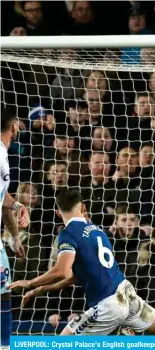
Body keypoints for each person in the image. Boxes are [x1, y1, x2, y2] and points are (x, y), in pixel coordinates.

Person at [8, 189, 155, 335]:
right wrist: (41, 289)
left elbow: (61, 270)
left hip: (107, 305)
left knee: (63, 343)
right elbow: (74, 277)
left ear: (58, 212)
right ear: (83, 208)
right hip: (127, 293)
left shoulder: (67, 234)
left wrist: (29, 283)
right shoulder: (97, 231)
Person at [0, 110, 28, 346]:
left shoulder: (3, 154)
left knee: (4, 290)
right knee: (4, 292)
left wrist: (18, 204)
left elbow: (2, 198)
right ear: (14, 128)